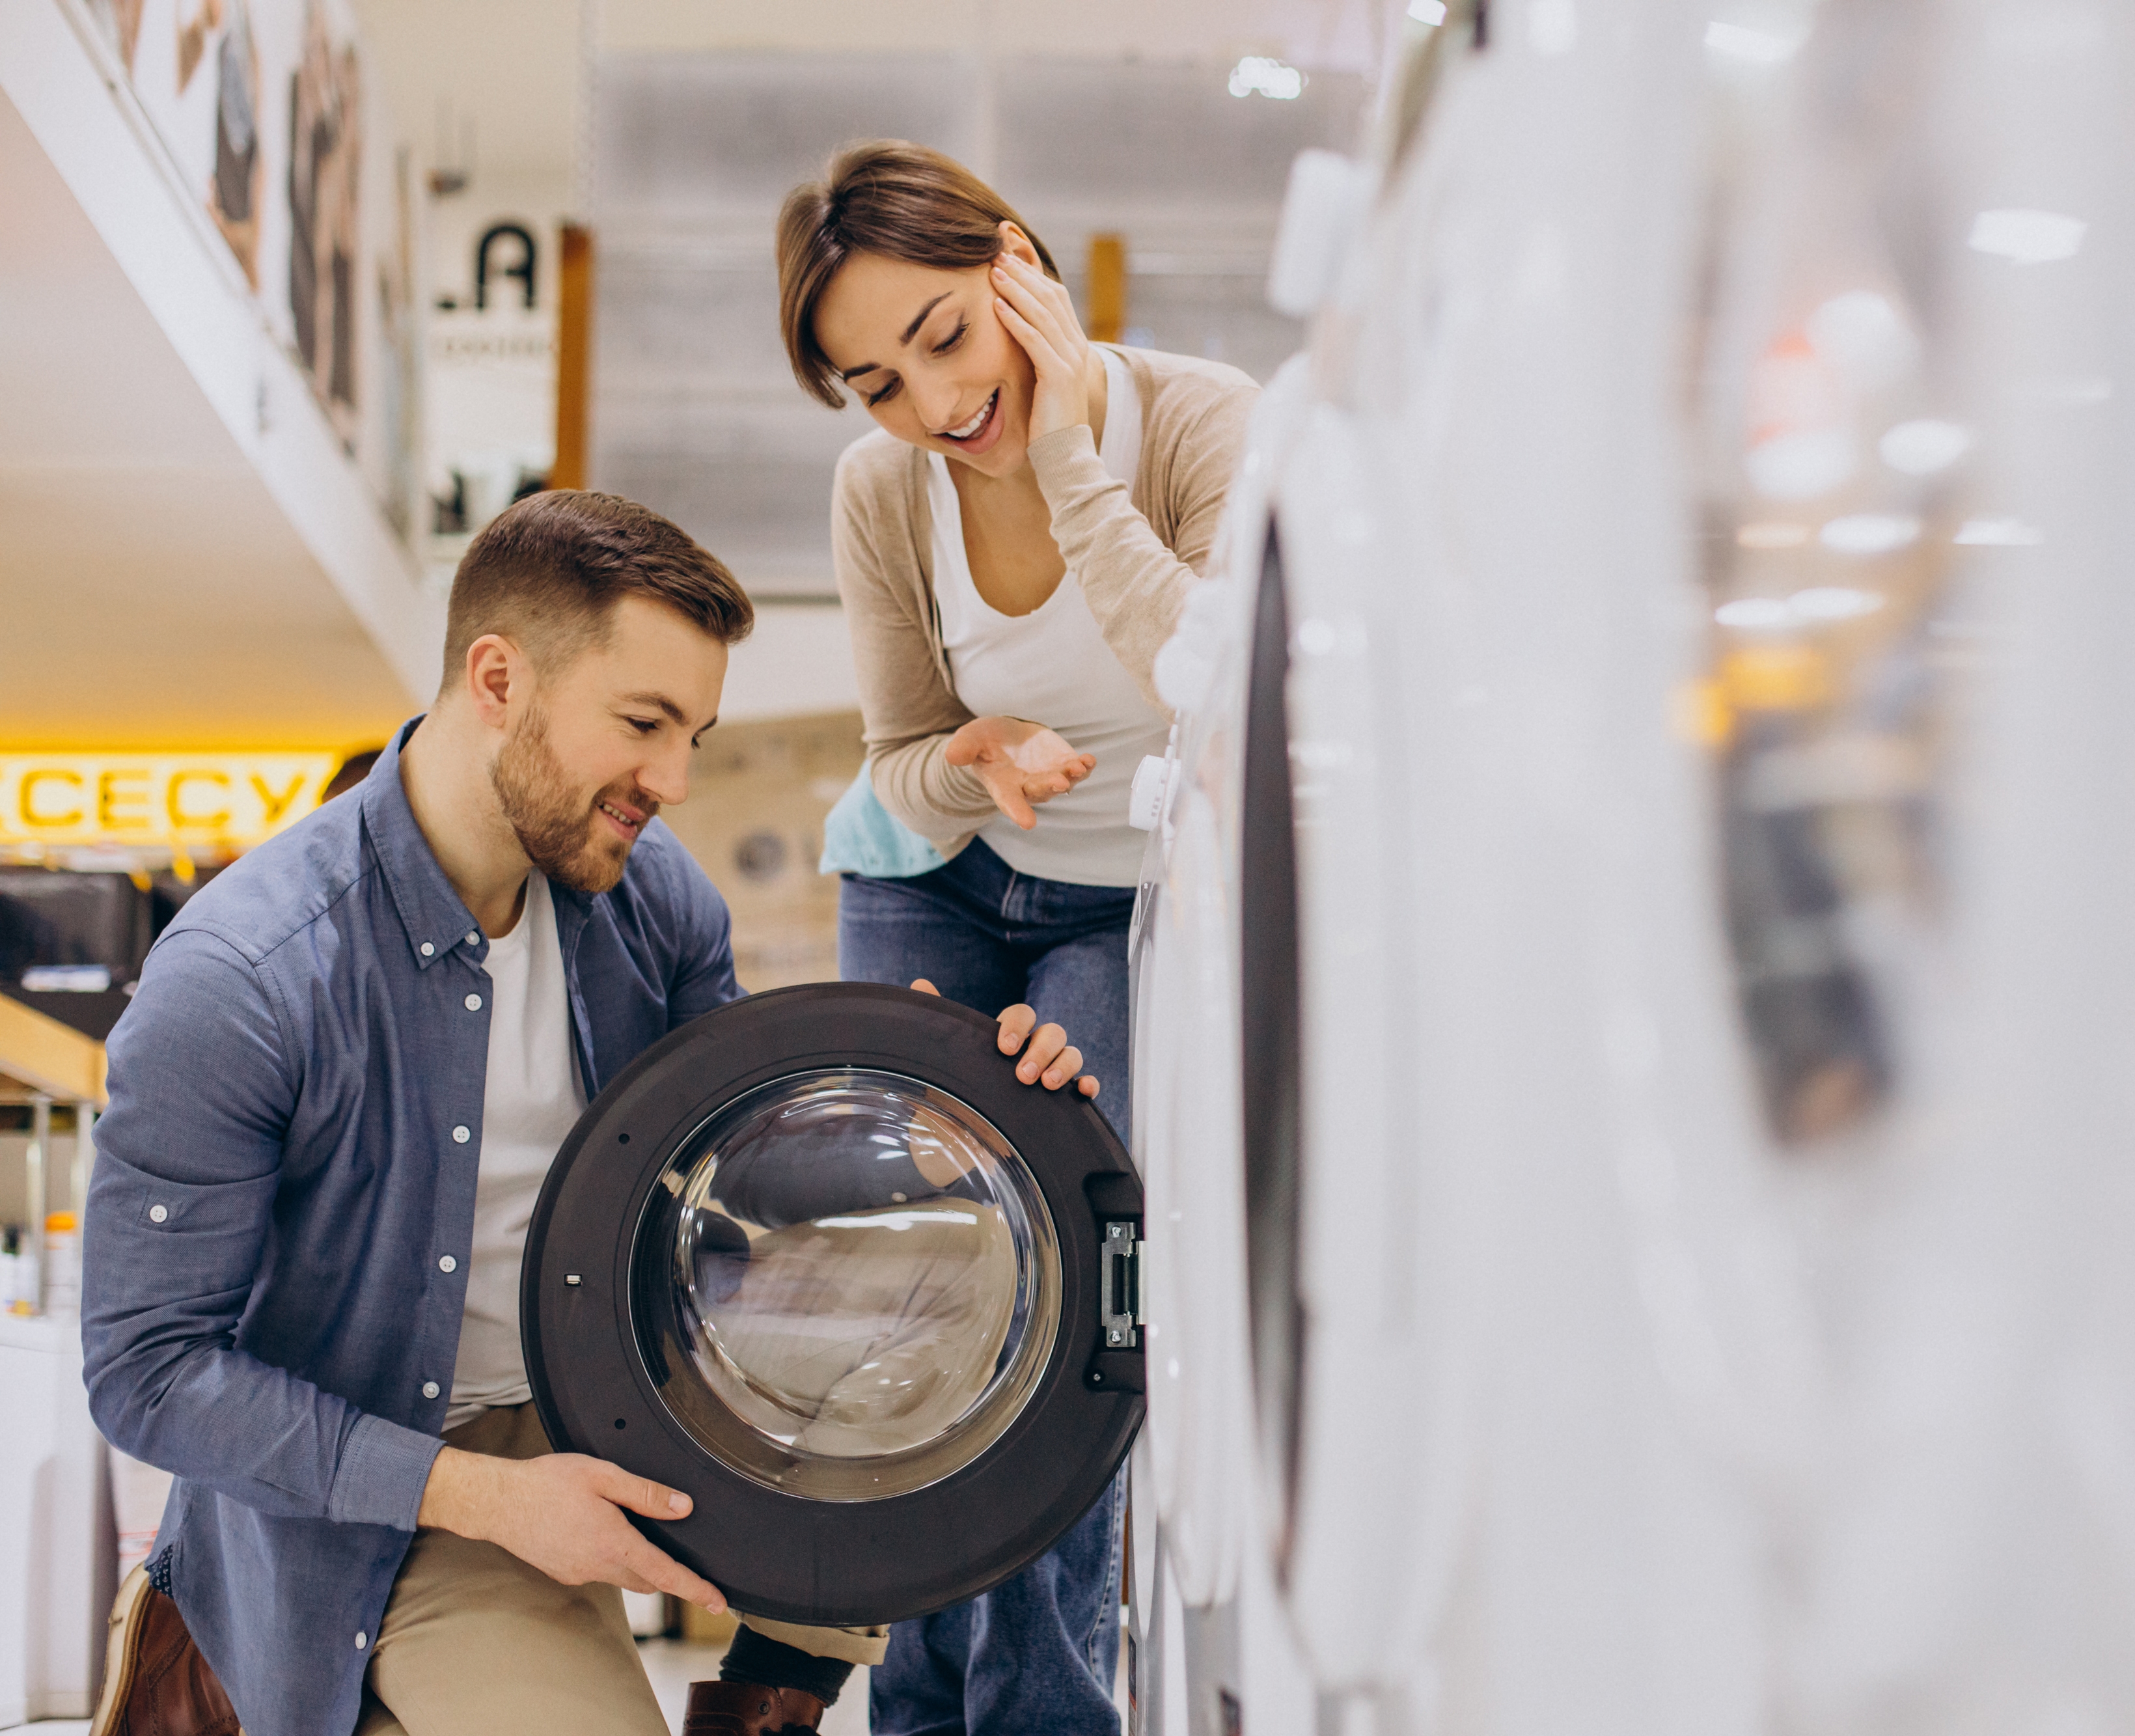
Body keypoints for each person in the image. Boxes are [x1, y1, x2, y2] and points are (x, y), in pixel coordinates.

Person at [79, 489, 1100, 1736]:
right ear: (498, 679)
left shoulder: (644, 898)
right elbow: (148, 1372)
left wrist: (942, 1106)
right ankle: (256, 1650)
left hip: (617, 1392)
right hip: (402, 1483)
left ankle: (771, 1702)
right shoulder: (245, 979)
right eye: (642, 724)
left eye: (696, 737)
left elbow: (741, 1183)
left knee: (941, 1283)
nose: (671, 780)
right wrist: (495, 1503)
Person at [713, 140, 1256, 1736]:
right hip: (940, 875)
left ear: (1017, 262)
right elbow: (896, 757)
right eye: (875, 381)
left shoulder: (1204, 421)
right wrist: (966, 760)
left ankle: (1043, 1712)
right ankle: (908, 1698)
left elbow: (1204, 683)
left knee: (1073, 1291)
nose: (933, 406)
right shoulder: (884, 488)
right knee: (906, 1267)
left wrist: (1073, 452)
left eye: (947, 336)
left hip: (1122, 899)